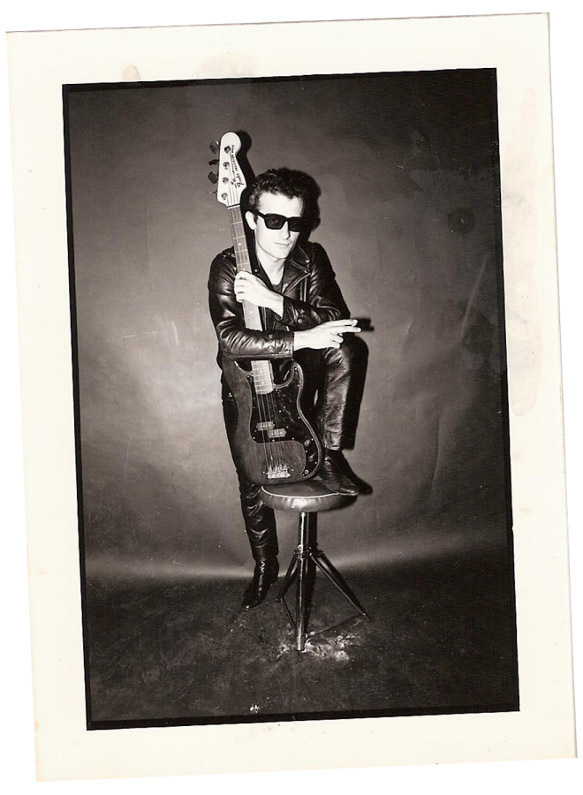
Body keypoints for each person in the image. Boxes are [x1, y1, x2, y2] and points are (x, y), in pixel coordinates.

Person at [208, 167, 365, 610]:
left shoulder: (311, 260)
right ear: (251, 219)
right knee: (251, 478)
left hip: (299, 374)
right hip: (247, 384)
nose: (286, 233)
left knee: (347, 350)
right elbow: (230, 338)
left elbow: (335, 319)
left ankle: (329, 456)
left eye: (296, 222)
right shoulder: (227, 266)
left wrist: (274, 301)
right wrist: (299, 338)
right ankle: (264, 567)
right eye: (274, 220)